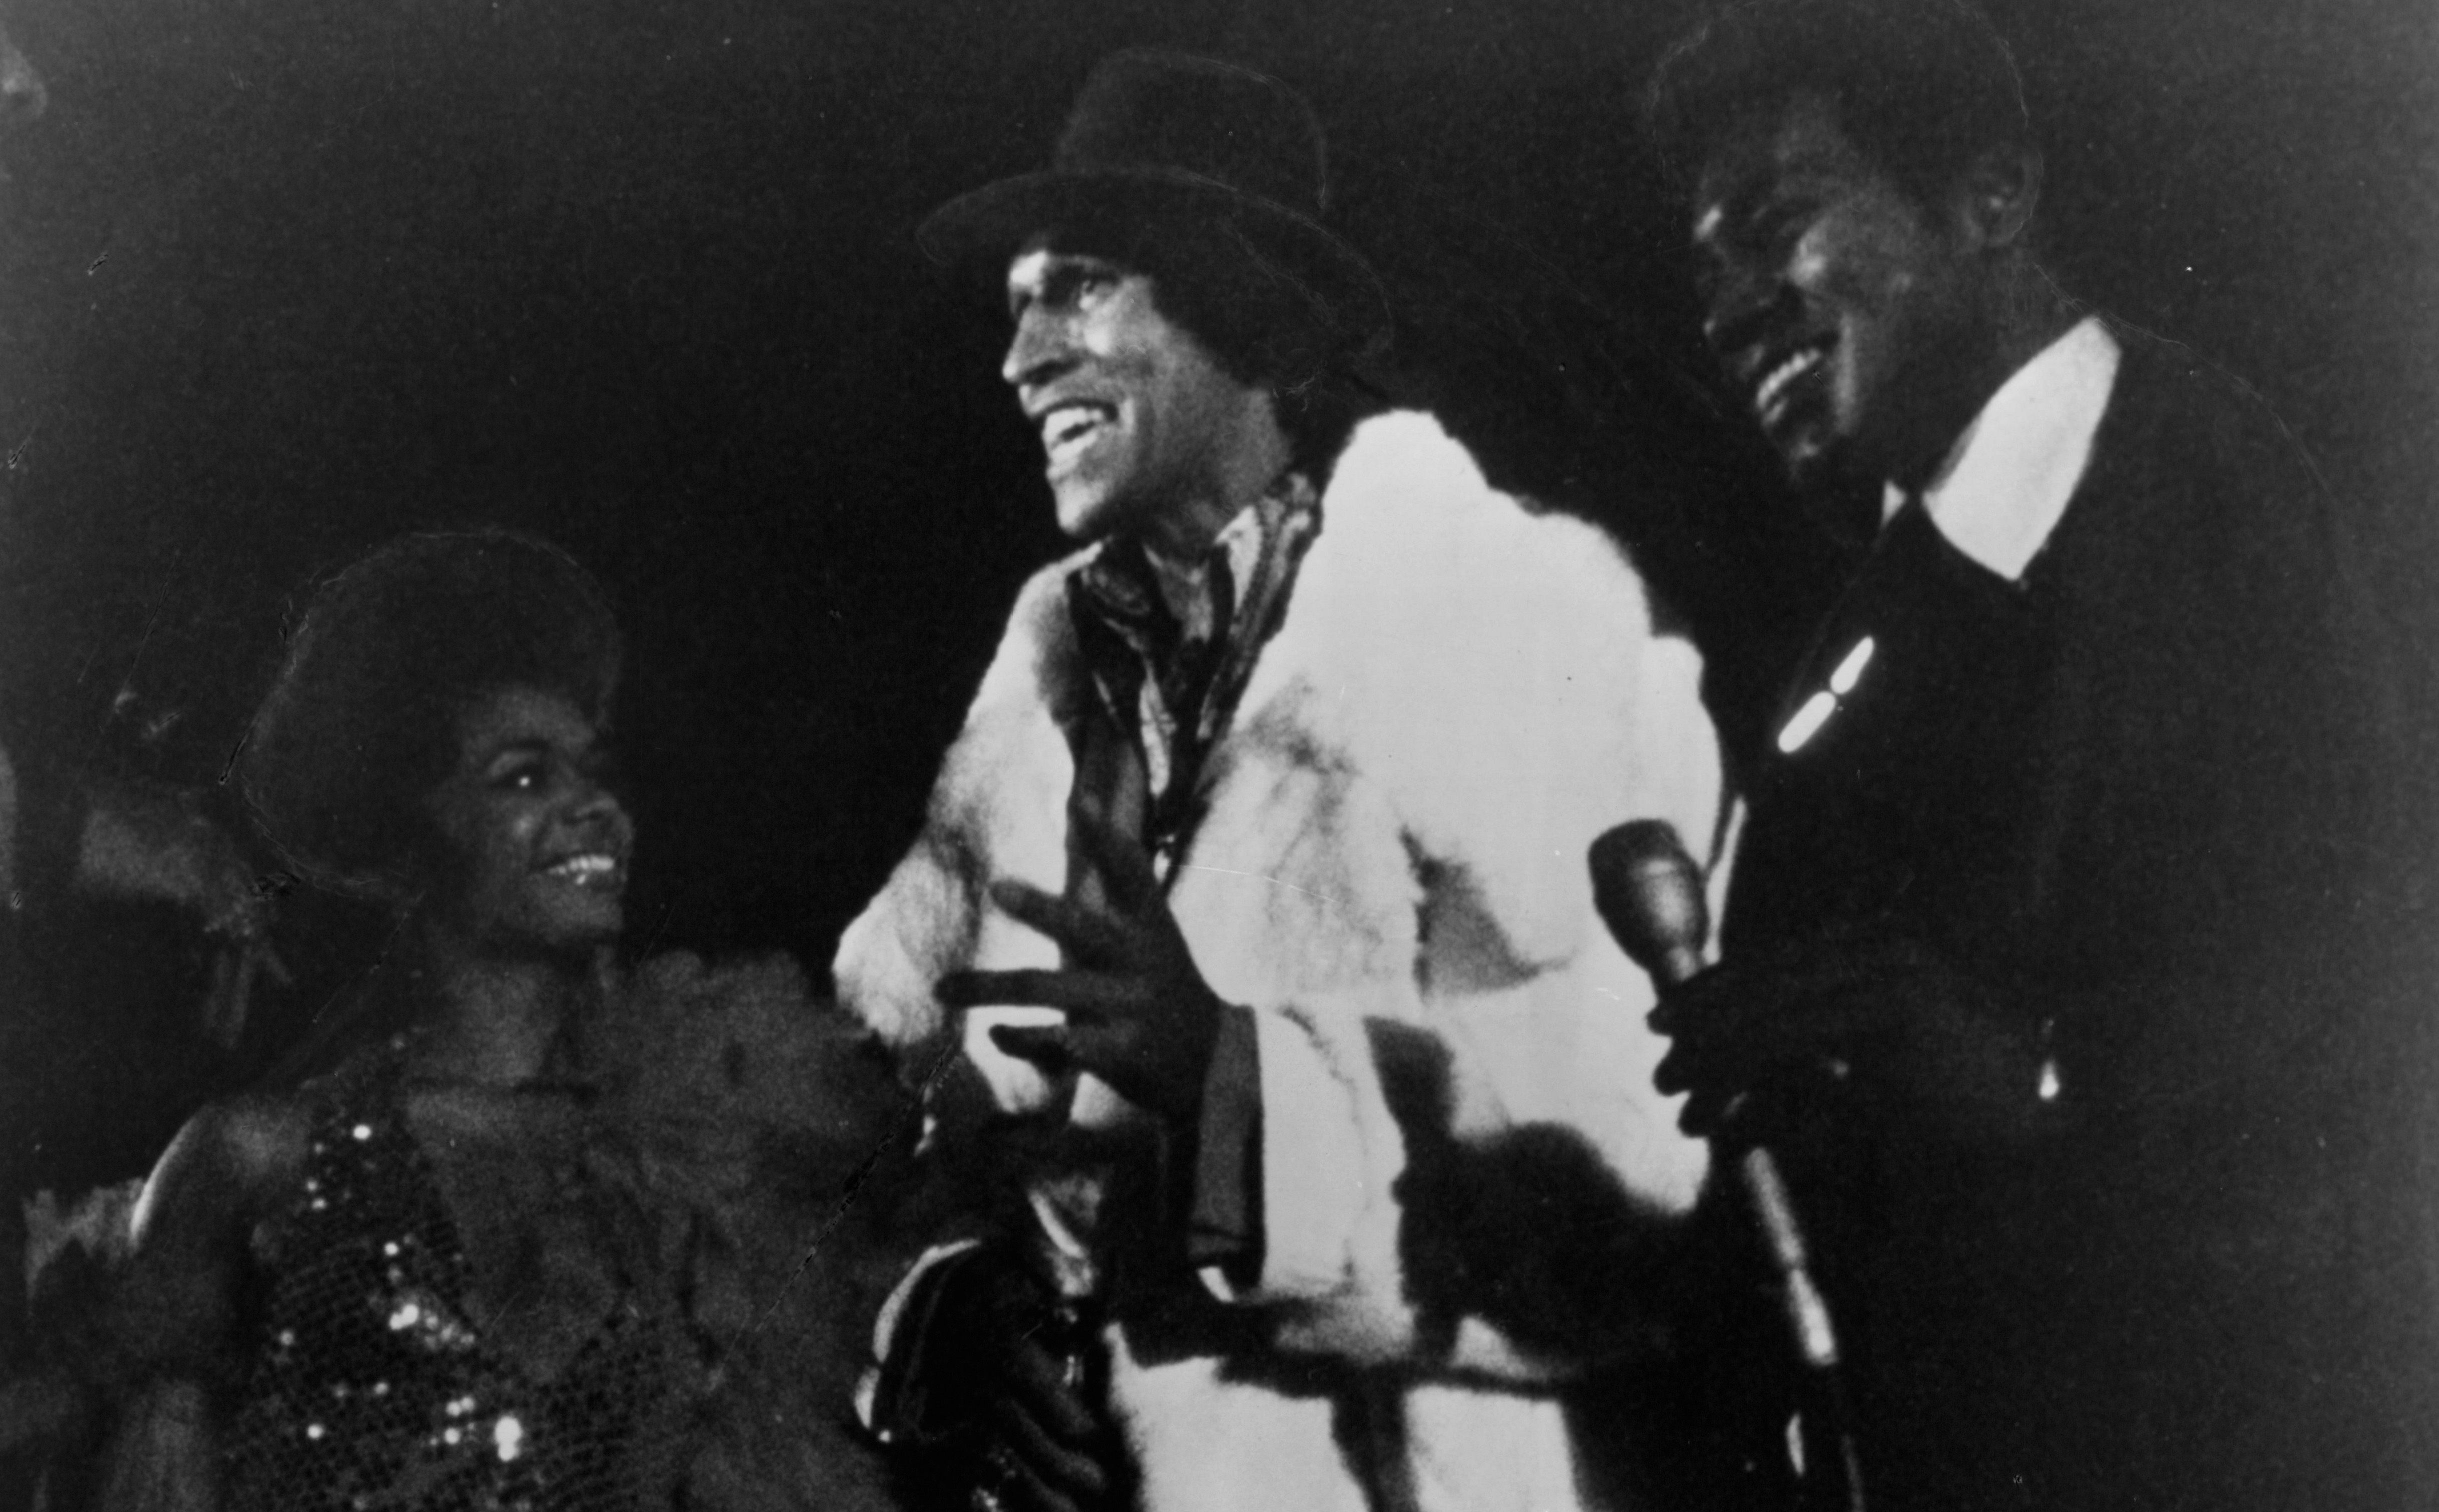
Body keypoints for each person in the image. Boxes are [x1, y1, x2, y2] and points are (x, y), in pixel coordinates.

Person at [836, 48, 1725, 1512]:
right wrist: (947, 1300)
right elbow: (889, 1143)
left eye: (1079, 288)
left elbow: (1621, 1239)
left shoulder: (1508, 628)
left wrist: (1227, 1085)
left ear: (1243, 305)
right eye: (1015, 306)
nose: (1021, 358)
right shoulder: (1041, 696)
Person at [1641, 2, 2424, 1506]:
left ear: (1989, 197)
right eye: (1705, 272)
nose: (1728, 313)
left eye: (1777, 228)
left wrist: (2034, 1076)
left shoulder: (2209, 499)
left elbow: (2346, 1018)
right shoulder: (1875, 616)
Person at [54, 531, 909, 1512]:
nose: (595, 806)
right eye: (526, 776)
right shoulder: (256, 1157)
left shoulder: (696, 1157)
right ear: (415, 822)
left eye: (597, 772)